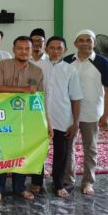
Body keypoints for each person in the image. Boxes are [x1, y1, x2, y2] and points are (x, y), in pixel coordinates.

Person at [0, 35, 48, 202]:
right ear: (14, 49)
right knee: (1, 152)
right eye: (20, 48)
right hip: (3, 118)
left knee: (22, 152)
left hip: (26, 119)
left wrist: (45, 122)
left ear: (32, 51)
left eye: (27, 49)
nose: (24, 51)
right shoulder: (3, 65)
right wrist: (22, 89)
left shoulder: (37, 71)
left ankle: (19, 188)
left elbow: (40, 98)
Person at [63, 29, 108, 195]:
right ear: (75, 43)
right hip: (68, 114)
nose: (85, 43)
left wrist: (106, 114)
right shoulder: (67, 61)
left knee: (90, 148)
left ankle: (88, 182)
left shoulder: (103, 62)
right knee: (68, 148)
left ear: (94, 43)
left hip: (92, 113)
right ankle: (68, 180)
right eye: (81, 40)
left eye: (88, 40)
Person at [35, 36, 83, 198]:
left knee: (61, 153)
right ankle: (36, 182)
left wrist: (75, 122)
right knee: (38, 151)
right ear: (46, 49)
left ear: (65, 50)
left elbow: (76, 98)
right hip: (38, 118)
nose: (55, 51)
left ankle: (58, 183)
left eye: (59, 48)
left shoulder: (71, 70)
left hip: (63, 117)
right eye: (52, 48)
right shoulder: (37, 66)